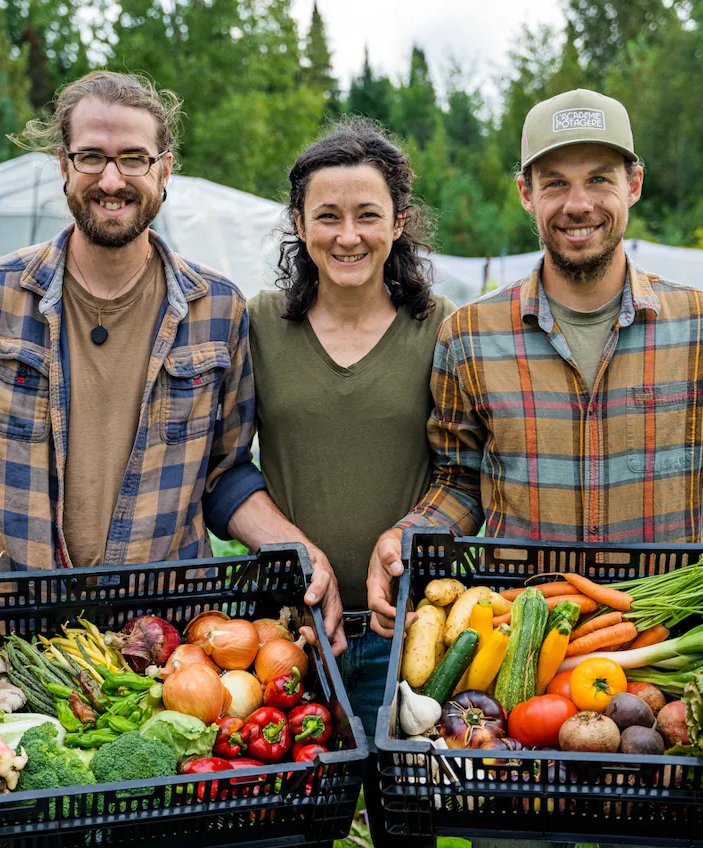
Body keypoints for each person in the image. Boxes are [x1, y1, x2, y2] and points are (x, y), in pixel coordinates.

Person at [368, 88, 703, 848]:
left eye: (599, 178)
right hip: (525, 660)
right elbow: (458, 482)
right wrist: (409, 532)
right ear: (525, 193)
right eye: (554, 181)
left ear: (635, 185)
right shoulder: (471, 335)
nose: (577, 202)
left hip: (662, 659)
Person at [0, 71, 343, 694]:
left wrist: (301, 551)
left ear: (165, 170)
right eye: (91, 157)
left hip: (164, 655)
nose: (112, 180)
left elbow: (225, 476)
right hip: (12, 651)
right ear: (64, 165)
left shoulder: (217, 310)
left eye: (133, 158)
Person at [247, 118, 454, 847]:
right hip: (290, 636)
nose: (348, 235)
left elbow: (466, 473)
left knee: (407, 828)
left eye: (368, 215)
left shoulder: (441, 331)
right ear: (299, 223)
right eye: (327, 215)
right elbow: (223, 468)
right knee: (292, 830)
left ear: (399, 222)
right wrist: (296, 552)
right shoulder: (262, 326)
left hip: (407, 640)